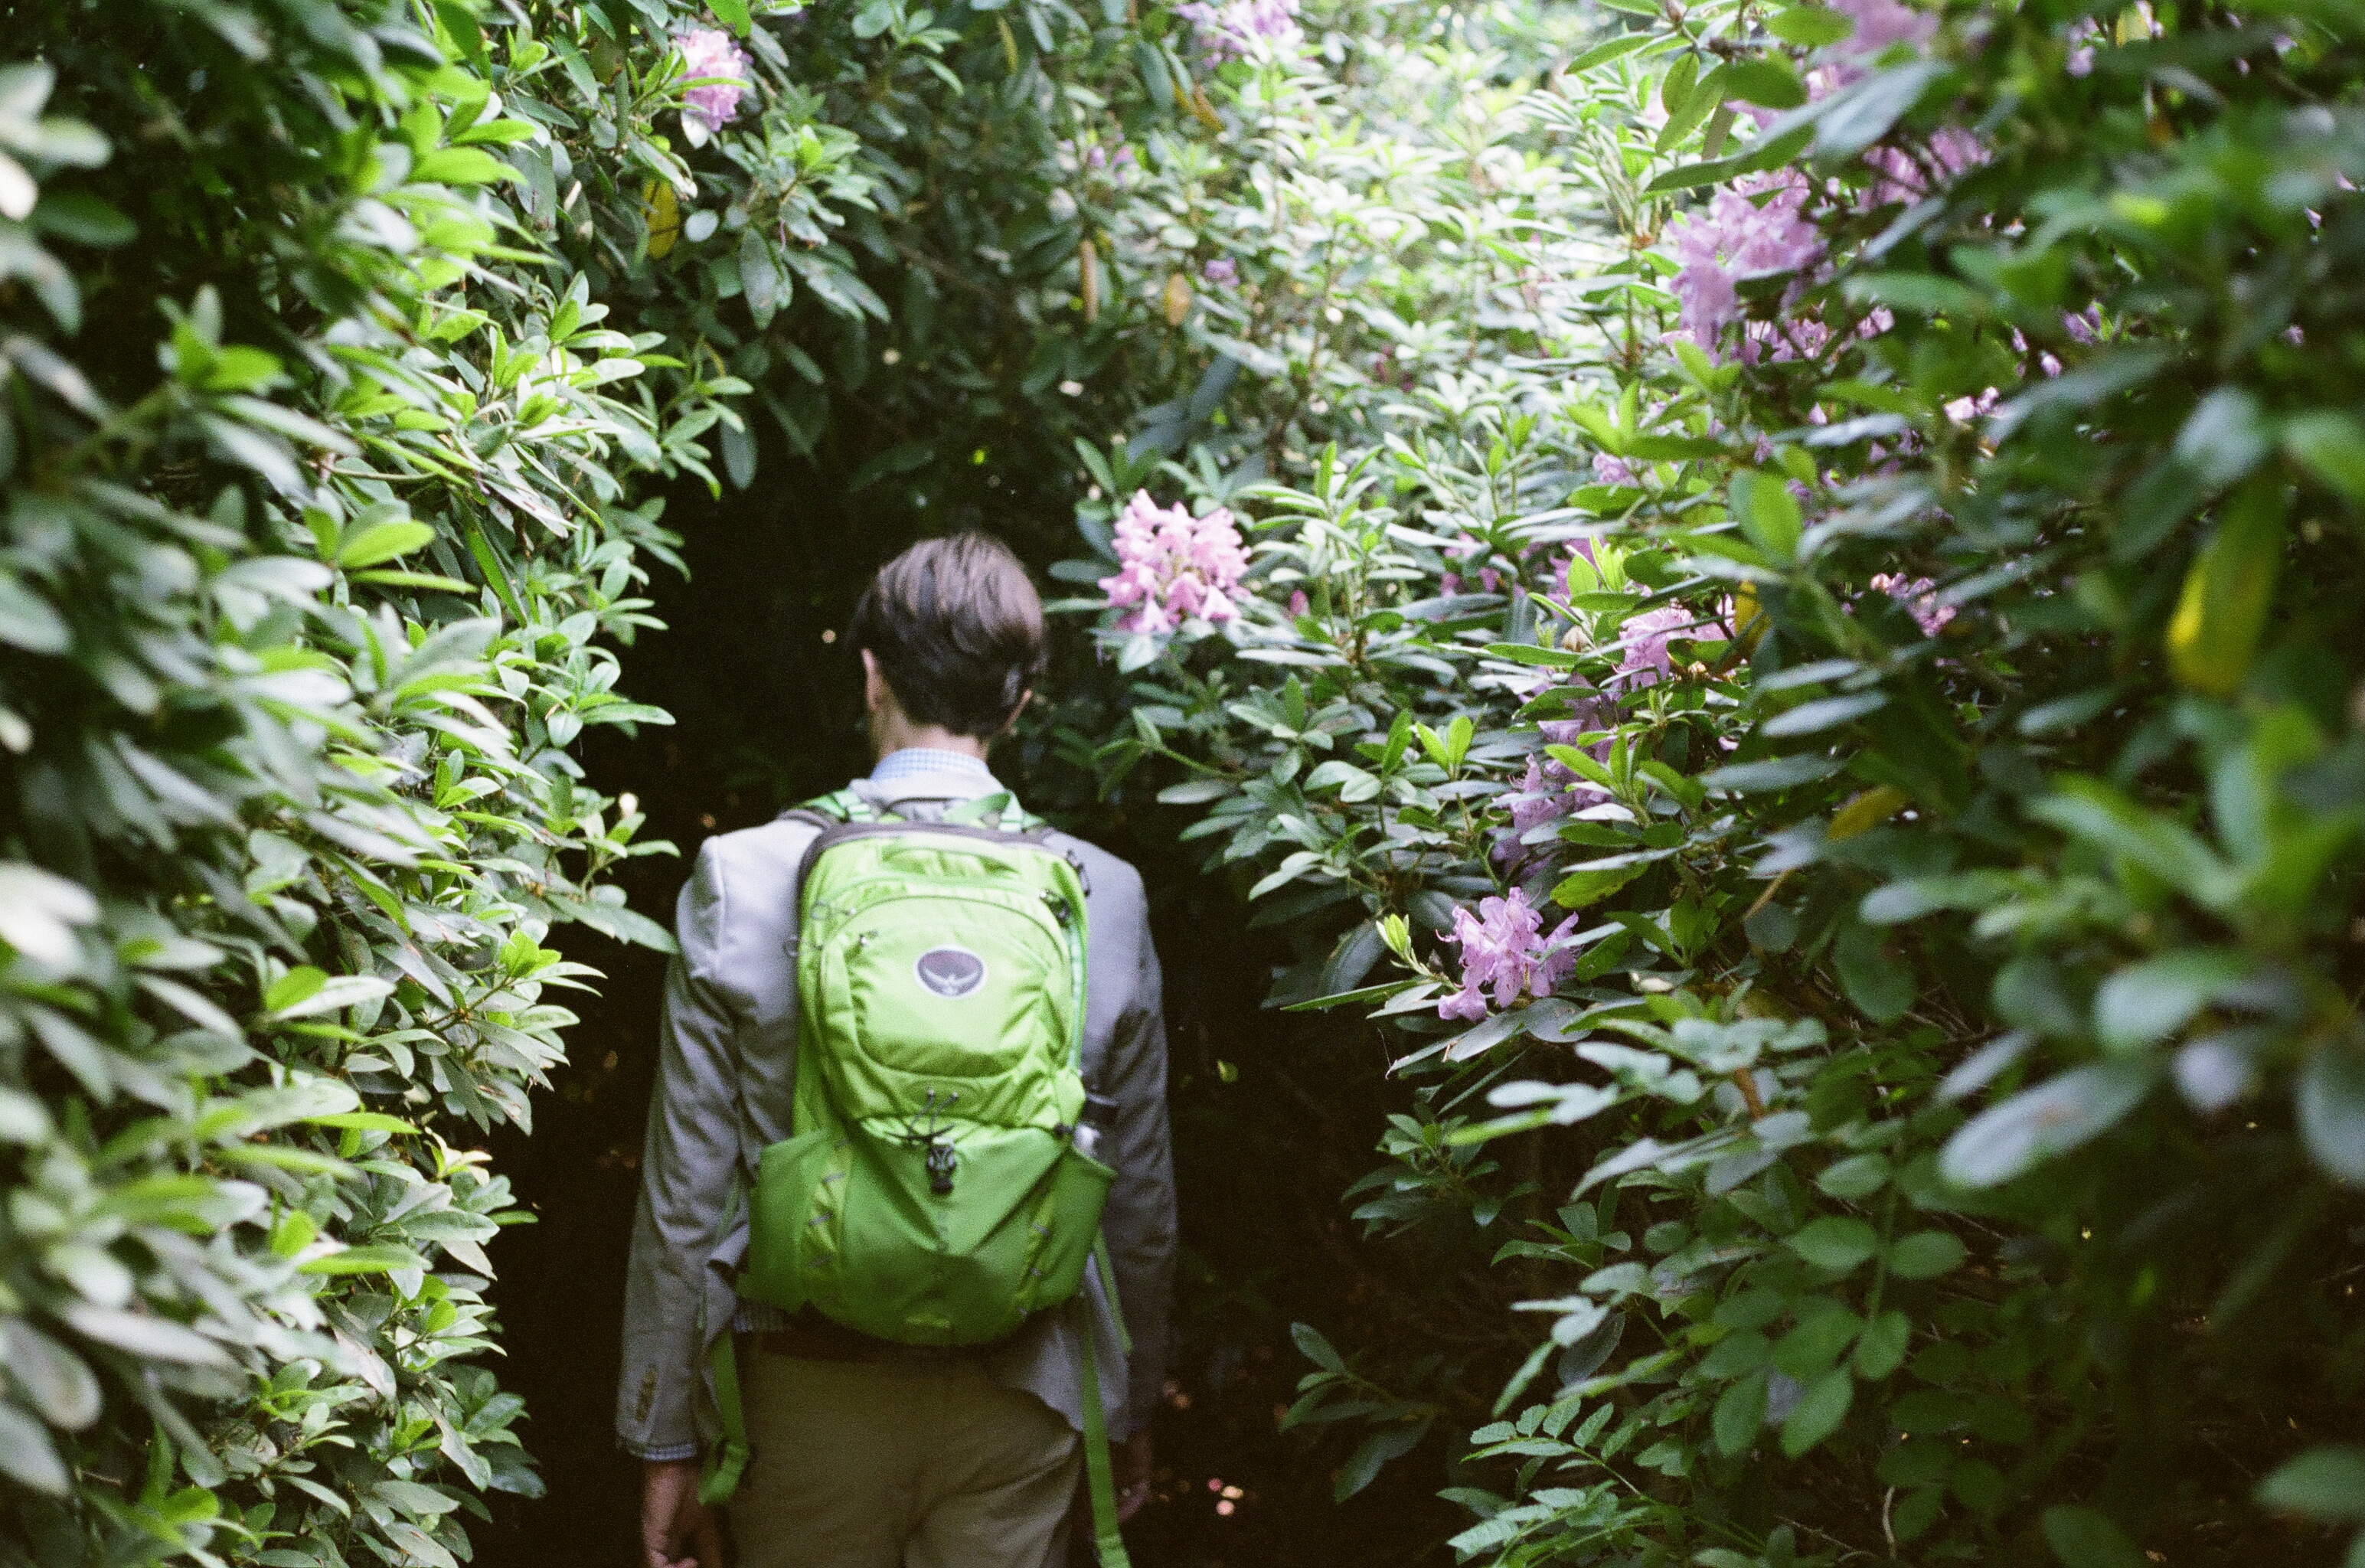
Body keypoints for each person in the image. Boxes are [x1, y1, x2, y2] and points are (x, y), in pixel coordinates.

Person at [616, 532, 1176, 1568]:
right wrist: (1131, 1401)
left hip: (800, 1398)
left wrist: (664, 1433)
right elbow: (1131, 1197)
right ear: (1019, 704)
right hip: (1026, 1388)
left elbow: (687, 1190)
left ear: (869, 674)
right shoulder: (1103, 896)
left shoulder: (741, 878)